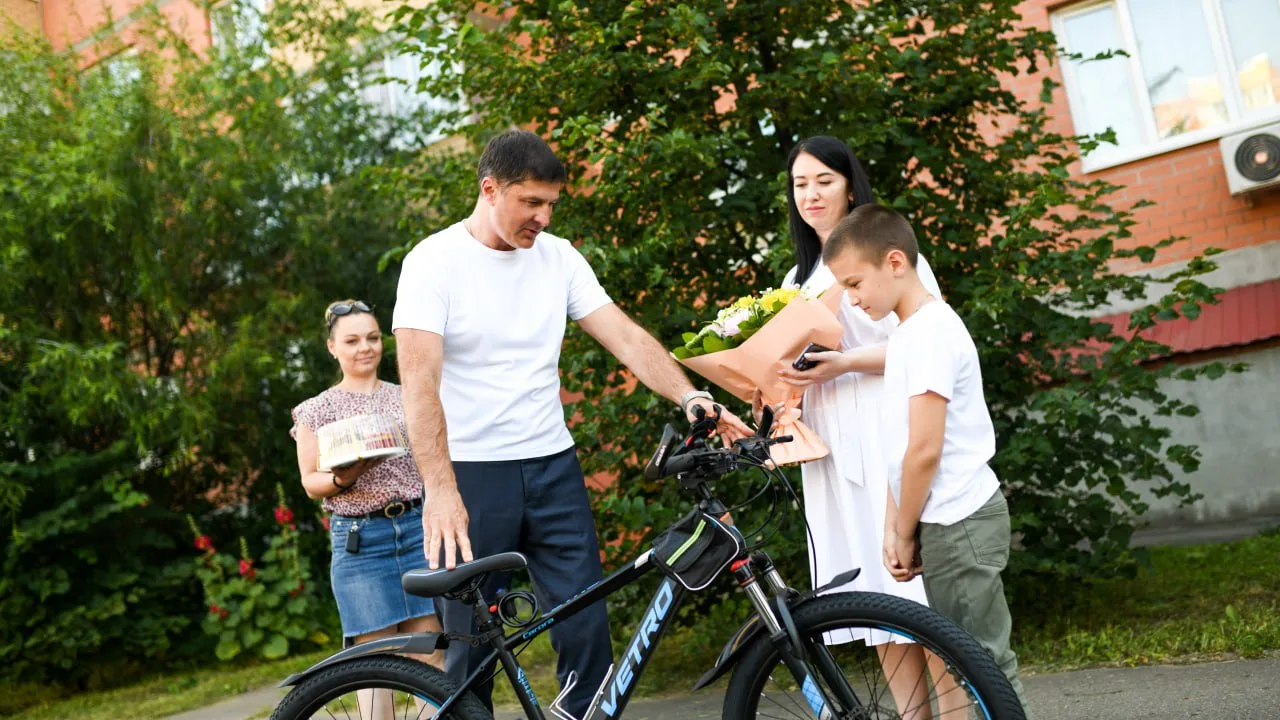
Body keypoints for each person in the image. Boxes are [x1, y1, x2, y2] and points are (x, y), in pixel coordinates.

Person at [391, 130, 751, 717]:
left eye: (552, 204)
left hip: (553, 466)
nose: (543, 216)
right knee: (471, 647)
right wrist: (440, 488)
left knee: (586, 624)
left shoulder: (559, 258)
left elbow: (627, 338)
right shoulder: (432, 263)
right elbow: (419, 386)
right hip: (474, 477)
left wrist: (690, 396)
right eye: (531, 202)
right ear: (490, 190)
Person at [822, 204, 1034, 716]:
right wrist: (898, 523)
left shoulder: (931, 332)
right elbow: (903, 446)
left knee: (984, 666)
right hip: (941, 521)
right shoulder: (908, 335)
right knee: (969, 664)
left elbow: (924, 450)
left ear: (895, 262)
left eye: (855, 284)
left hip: (959, 520)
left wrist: (901, 527)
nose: (851, 300)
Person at [767, 136, 942, 716]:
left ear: (849, 184)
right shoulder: (799, 277)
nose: (811, 194)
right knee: (873, 595)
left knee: (914, 592)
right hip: (833, 450)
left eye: (824, 181)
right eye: (800, 184)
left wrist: (844, 363)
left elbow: (927, 345)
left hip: (884, 429)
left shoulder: (888, 252)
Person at [290, 299, 444, 718]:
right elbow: (310, 482)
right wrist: (346, 475)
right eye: (353, 340)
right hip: (361, 541)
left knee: (430, 655)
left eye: (373, 338)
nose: (365, 348)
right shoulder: (315, 411)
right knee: (375, 668)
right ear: (332, 348)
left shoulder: (408, 396)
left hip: (417, 529)